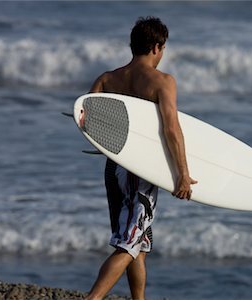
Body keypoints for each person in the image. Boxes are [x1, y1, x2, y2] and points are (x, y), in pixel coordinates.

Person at [85, 17, 197, 300]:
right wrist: (182, 173)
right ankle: (93, 298)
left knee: (139, 243)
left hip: (114, 168)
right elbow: (172, 128)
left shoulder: (106, 78)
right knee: (129, 243)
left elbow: (87, 122)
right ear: (157, 47)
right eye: (163, 48)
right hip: (140, 171)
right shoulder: (163, 81)